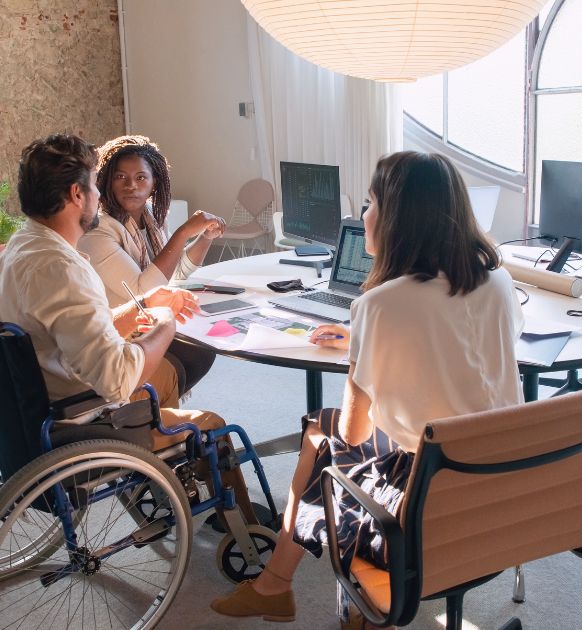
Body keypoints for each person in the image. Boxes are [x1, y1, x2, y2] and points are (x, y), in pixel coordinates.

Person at [209, 151, 524, 627]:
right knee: (320, 433)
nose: (363, 216)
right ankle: (275, 584)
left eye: (371, 203)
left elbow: (356, 432)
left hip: (428, 487)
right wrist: (370, 342)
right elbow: (467, 355)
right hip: (501, 473)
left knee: (325, 440)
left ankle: (282, 587)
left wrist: (363, 349)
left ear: (397, 217)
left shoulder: (380, 305)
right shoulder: (497, 280)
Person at [0, 133, 256, 523]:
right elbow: (116, 379)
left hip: (28, 404)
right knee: (212, 423)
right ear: (78, 194)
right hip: (80, 417)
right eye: (97, 184)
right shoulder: (65, 268)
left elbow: (72, 327)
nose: (101, 195)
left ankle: (171, 482)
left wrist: (143, 305)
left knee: (178, 360)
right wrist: (162, 322)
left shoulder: (22, 246)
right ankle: (245, 531)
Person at [78, 135, 225, 397]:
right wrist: (183, 232)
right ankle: (145, 406)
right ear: (107, 181)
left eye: (141, 178)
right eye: (121, 177)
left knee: (203, 338)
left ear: (155, 183)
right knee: (194, 343)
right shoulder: (99, 231)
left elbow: (173, 273)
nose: (131, 186)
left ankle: (155, 409)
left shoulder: (151, 219)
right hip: (118, 337)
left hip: (145, 324)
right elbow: (144, 290)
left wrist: (204, 238)